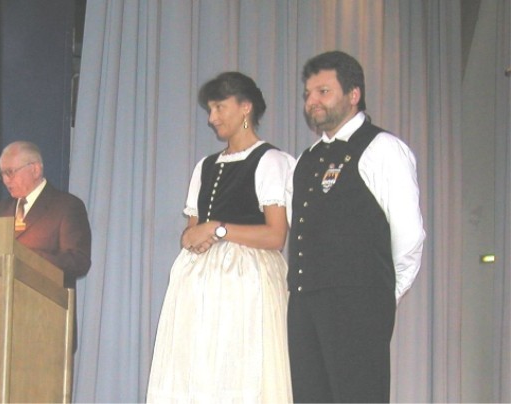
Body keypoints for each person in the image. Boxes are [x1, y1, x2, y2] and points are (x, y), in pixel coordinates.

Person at [146, 72, 295, 403]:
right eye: (210, 109)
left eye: (219, 107)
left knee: (243, 368)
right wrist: (193, 237)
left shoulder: (270, 161)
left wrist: (217, 229)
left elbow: (275, 235)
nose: (212, 118)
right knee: (199, 369)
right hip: (200, 284)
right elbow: (191, 230)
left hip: (248, 282)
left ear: (245, 107)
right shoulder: (206, 166)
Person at [287, 50, 426, 402]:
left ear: (353, 94)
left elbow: (409, 236)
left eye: (323, 91)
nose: (312, 101)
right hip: (305, 303)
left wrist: (381, 295)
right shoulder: (306, 159)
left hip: (359, 303)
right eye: (308, 94)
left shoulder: (383, 148)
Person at [0, 140, 92, 289]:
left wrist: (29, 257)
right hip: (0, 298)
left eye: (10, 172)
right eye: (2, 174)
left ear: (35, 170)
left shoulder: (66, 206)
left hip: (46, 299)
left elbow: (79, 262)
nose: (5, 180)